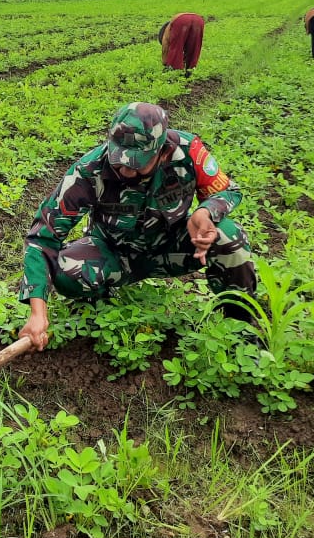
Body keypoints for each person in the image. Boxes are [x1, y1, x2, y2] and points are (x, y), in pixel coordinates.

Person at [17, 102, 257, 352]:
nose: (125, 171)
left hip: (171, 248)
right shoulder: (90, 169)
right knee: (66, 270)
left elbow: (228, 191)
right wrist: (37, 312)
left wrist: (206, 211)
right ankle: (98, 302)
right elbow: (43, 237)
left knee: (229, 236)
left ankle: (239, 327)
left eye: (136, 164)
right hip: (115, 253)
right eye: (119, 160)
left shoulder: (188, 152)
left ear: (162, 152)